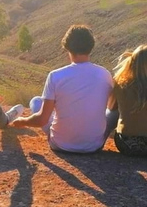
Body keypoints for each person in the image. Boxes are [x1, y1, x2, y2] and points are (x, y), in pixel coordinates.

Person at [11, 25, 115, 153]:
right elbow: (110, 105)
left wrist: (23, 121)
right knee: (109, 112)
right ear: (91, 47)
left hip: (61, 144)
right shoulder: (105, 74)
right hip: (94, 146)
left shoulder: (56, 76)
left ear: (67, 47)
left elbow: (42, 120)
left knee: (36, 101)